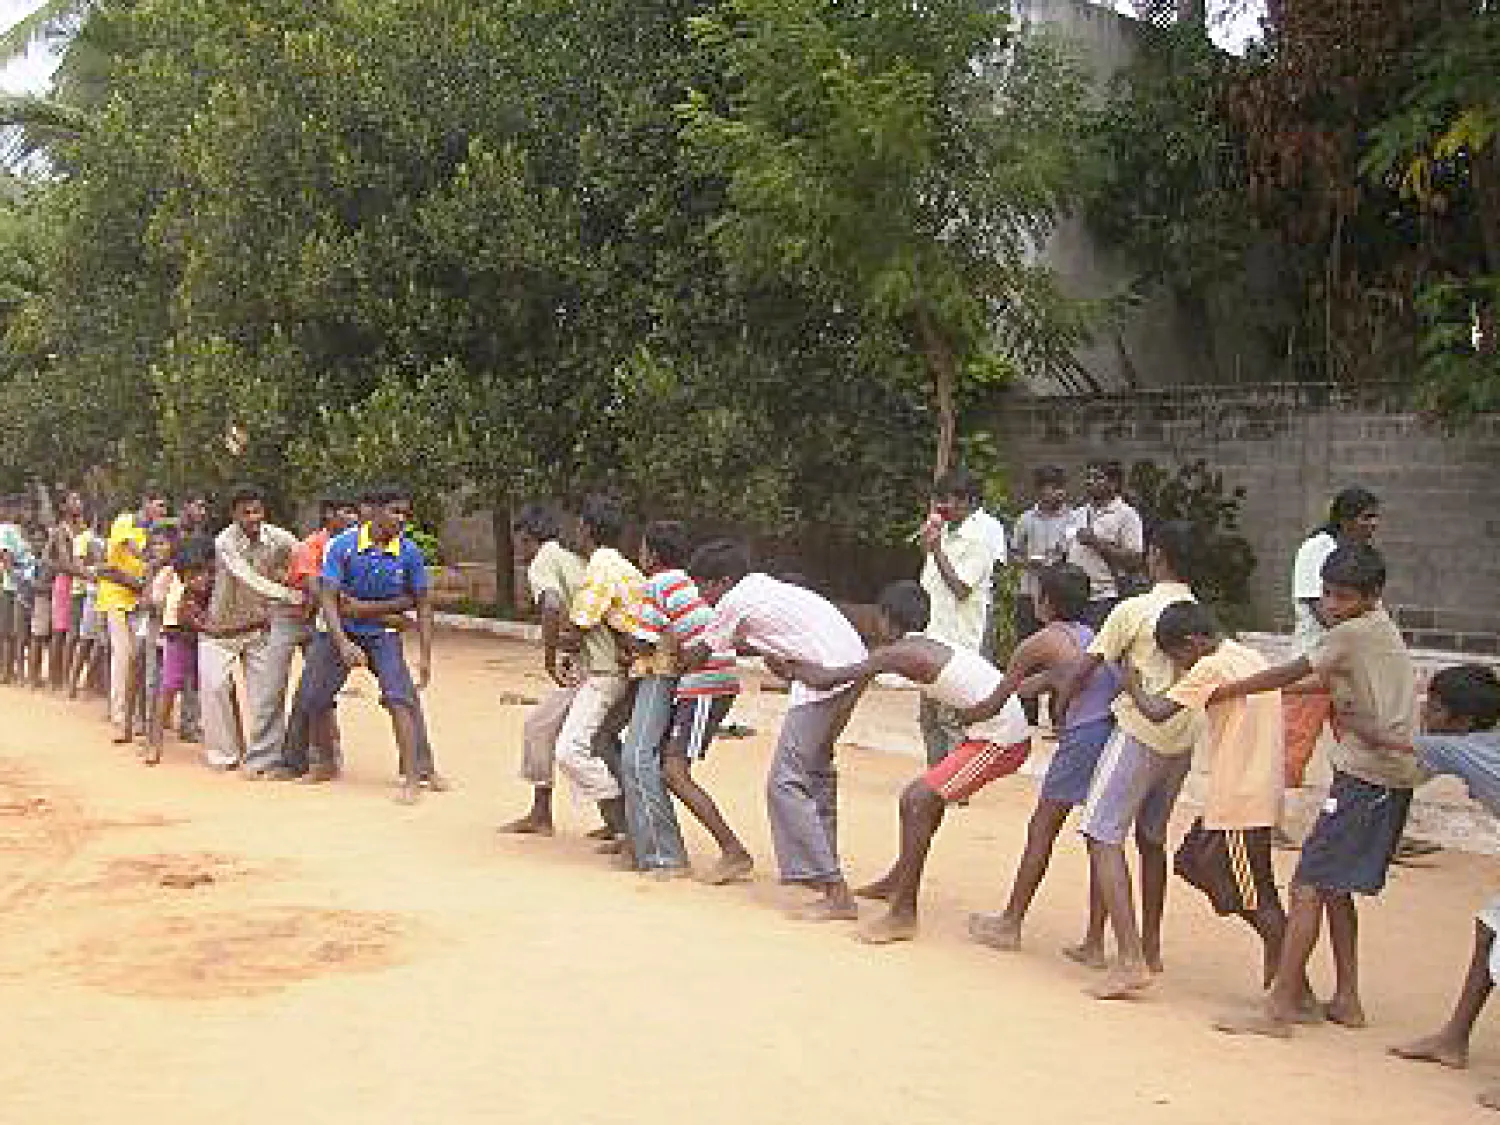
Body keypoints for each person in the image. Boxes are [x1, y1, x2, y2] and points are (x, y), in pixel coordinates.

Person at [1213, 544, 1418, 1038]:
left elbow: (1295, 673)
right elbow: (1318, 684)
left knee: (1307, 885)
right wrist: (1264, 689)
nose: (1331, 604)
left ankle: (1281, 1006)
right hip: (1385, 778)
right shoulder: (1379, 629)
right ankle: (1347, 997)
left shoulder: (1350, 633)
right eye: (1326, 594)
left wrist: (1234, 688)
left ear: (1370, 596)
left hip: (1366, 776)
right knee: (1333, 888)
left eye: (1342, 596)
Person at [785, 580, 1031, 943]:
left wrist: (788, 662)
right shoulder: (928, 644)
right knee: (928, 799)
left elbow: (829, 678)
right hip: (991, 732)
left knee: (916, 799)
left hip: (999, 741)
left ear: (884, 619)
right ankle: (898, 880)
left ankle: (903, 913)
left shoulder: (899, 653)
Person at [686, 540, 869, 921]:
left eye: (705, 586)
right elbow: (756, 643)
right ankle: (823, 869)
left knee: (784, 782)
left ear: (723, 581)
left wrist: (659, 656)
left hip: (825, 677)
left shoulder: (734, 601)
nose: (703, 596)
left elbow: (701, 654)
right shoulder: (761, 588)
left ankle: (834, 890)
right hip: (850, 667)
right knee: (816, 772)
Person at [1056, 519, 1200, 1000]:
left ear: (1155, 555)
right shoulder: (1199, 613)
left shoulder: (1133, 609)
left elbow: (1087, 666)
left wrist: (1062, 705)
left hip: (1140, 732)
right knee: (1152, 837)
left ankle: (1130, 958)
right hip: (1183, 737)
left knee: (1101, 831)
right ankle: (1150, 946)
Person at [1118, 601, 1291, 996]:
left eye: (1179, 657)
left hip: (1241, 796)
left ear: (1194, 642)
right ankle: (1259, 929)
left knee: (1258, 896)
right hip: (1247, 789)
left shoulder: (1209, 667)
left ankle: (1289, 981)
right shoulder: (1247, 655)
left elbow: (1159, 711)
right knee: (1194, 861)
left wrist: (1130, 684)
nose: (1180, 667)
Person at [967, 564, 1120, 954]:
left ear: (1045, 601)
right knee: (1101, 839)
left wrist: (963, 713)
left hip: (1082, 738)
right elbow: (1056, 679)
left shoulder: (1040, 642)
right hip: (1108, 732)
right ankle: (1094, 941)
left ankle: (1011, 922)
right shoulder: (1092, 636)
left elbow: (996, 699)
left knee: (1043, 828)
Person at [1381, 666, 1500, 1111]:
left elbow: (1385, 742)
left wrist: (1348, 707)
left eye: (1435, 707)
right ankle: (1453, 1040)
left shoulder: (1456, 746)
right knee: (1489, 929)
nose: (1426, 712)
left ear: (1462, 720)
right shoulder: (1479, 742)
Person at [306, 484, 438, 803]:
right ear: (375, 512)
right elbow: (328, 597)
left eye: (406, 513)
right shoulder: (342, 547)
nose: (402, 519)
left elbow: (422, 603)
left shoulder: (408, 552)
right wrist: (342, 643)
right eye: (395, 511)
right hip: (342, 629)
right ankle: (325, 760)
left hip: (383, 634)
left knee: (400, 699)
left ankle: (412, 776)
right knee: (314, 698)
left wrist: (425, 656)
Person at [499, 504, 620, 840]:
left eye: (519, 541)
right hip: (594, 662)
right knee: (540, 727)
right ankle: (542, 813)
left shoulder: (543, 562)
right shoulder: (571, 559)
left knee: (575, 745)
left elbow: (551, 605)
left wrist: (549, 656)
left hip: (597, 669)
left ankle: (620, 817)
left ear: (526, 538)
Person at [1281, 487, 1384, 840]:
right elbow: (1320, 608)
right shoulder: (1316, 551)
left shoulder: (1361, 556)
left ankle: (1367, 825)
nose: (1373, 524)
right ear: (1345, 519)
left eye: (1375, 516)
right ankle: (1266, 821)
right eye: (1366, 516)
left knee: (1360, 747)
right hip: (1314, 660)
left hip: (1347, 667)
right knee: (1291, 745)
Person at [614, 520, 702, 876]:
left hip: (659, 674)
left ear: (652, 552)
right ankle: (646, 845)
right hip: (676, 674)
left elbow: (643, 641)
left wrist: (617, 629)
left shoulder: (657, 583)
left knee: (637, 757)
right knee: (643, 757)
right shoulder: (683, 581)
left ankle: (663, 855)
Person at [552, 494, 641, 839]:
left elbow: (582, 619)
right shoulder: (621, 565)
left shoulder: (602, 566)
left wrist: (563, 640)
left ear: (587, 528)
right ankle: (618, 823)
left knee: (570, 749)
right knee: (600, 743)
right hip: (617, 668)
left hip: (607, 673)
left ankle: (620, 811)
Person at [200, 484, 302, 778]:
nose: (253, 517)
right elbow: (247, 578)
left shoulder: (277, 537)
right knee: (216, 687)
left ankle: (266, 756)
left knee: (264, 695)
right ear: (234, 515)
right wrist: (288, 595)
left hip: (260, 626)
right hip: (221, 627)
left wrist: (308, 582)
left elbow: (301, 556)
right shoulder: (224, 542)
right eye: (246, 512)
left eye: (257, 510)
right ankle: (225, 755)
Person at [917, 468, 998, 767]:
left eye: (947, 500)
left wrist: (936, 550)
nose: (941, 506)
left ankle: (954, 782)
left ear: (968, 502)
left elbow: (961, 589)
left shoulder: (978, 540)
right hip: (933, 634)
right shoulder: (945, 533)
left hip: (958, 641)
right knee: (928, 717)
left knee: (950, 717)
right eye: (938, 499)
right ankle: (935, 778)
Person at [281, 490, 361, 780]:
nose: (354, 518)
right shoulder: (311, 547)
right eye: (346, 512)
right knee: (310, 693)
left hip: (340, 622)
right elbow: (318, 590)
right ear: (329, 515)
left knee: (316, 692)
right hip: (305, 621)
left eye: (355, 512)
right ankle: (301, 758)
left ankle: (316, 755)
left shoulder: (356, 546)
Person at [97, 488, 168, 742]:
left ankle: (138, 714)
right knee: (123, 654)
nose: (162, 511)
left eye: (164, 508)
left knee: (136, 658)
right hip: (115, 595)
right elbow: (132, 551)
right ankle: (119, 713)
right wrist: (152, 558)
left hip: (138, 599)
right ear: (145, 502)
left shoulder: (150, 531)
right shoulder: (125, 522)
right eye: (158, 505)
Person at [145, 538, 215, 766]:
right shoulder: (182, 597)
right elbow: (188, 622)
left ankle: (236, 743)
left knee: (215, 686)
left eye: (203, 573)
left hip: (201, 640)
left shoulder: (212, 587)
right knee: (169, 687)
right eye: (193, 576)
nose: (200, 579)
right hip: (179, 638)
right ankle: (154, 744)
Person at [1065, 459, 1144, 630]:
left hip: (1104, 597)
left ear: (1113, 483)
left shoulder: (1126, 515)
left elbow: (1135, 560)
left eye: (1097, 478)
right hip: (1073, 598)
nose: (1090, 482)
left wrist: (1096, 543)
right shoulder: (1077, 514)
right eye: (1088, 477)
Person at [44, 491, 86, 692]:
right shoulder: (61, 531)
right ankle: (55, 678)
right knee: (61, 632)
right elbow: (60, 559)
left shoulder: (82, 528)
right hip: (66, 582)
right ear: (64, 507)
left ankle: (65, 676)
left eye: (79, 500)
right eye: (74, 501)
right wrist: (84, 572)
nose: (79, 504)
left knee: (74, 632)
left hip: (78, 581)